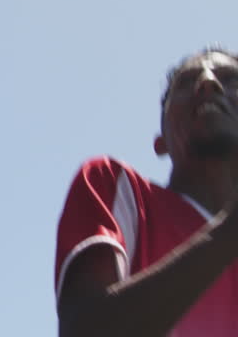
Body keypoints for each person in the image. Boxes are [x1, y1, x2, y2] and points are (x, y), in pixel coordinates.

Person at [54, 48, 238, 337]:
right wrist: (229, 233)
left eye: (231, 80)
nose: (207, 82)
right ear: (160, 142)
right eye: (186, 82)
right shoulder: (118, 186)